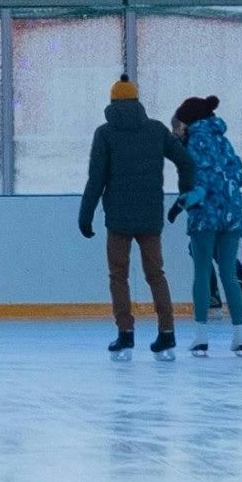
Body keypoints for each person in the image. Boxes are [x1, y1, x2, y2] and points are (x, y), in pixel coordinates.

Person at [77, 74, 183, 355]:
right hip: (150, 218)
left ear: (112, 102)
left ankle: (125, 333)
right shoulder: (157, 130)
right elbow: (184, 160)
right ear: (137, 101)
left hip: (118, 220)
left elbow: (96, 179)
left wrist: (85, 215)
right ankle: (167, 332)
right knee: (156, 275)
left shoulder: (105, 134)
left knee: (118, 276)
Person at [170, 93, 242, 348]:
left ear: (186, 122)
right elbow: (241, 177)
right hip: (231, 216)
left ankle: (201, 336)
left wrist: (180, 204)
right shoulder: (225, 142)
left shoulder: (191, 145)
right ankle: (240, 336)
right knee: (229, 274)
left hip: (204, 217)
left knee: (201, 274)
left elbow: (198, 185)